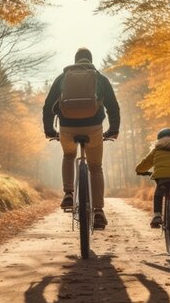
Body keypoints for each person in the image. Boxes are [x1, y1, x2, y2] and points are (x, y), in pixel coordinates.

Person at [43, 48, 120, 230]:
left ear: (75, 60)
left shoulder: (62, 78)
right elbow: (113, 107)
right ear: (91, 60)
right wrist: (113, 130)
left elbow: (47, 106)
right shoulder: (99, 78)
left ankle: (68, 193)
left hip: (67, 127)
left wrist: (49, 130)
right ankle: (99, 211)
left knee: (69, 156)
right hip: (93, 127)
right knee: (95, 167)